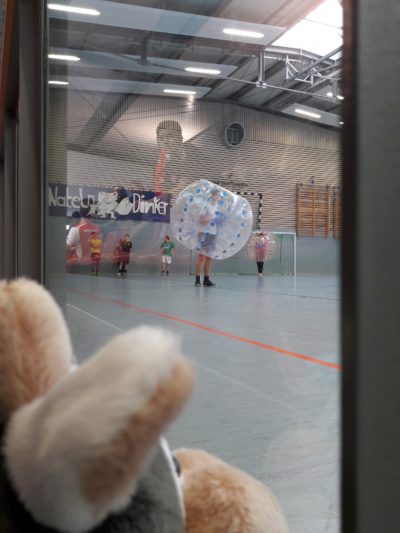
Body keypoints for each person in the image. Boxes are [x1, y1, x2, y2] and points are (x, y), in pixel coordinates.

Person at [194, 189, 222, 287]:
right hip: (204, 233)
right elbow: (200, 220)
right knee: (201, 257)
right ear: (213, 195)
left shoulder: (218, 208)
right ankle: (197, 279)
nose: (219, 197)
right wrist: (211, 218)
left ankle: (206, 279)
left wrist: (220, 220)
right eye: (217, 195)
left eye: (219, 195)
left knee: (209, 258)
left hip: (212, 233)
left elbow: (218, 222)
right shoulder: (206, 206)